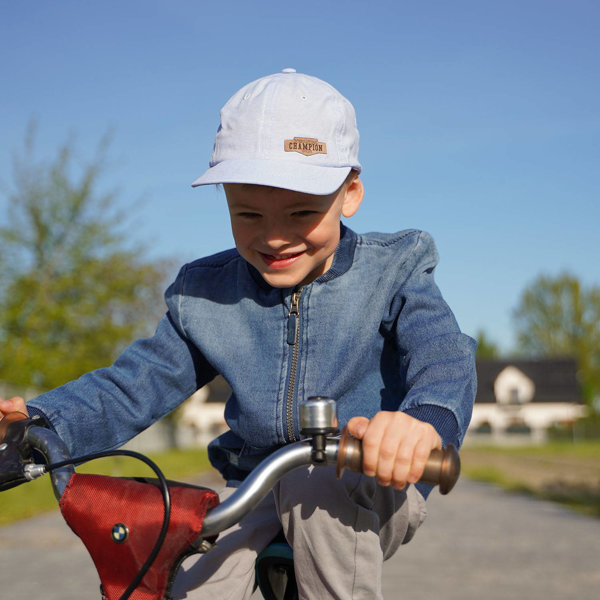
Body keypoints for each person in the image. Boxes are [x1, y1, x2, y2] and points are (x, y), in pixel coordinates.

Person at [0, 68, 477, 599]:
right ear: (225, 198)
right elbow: (133, 385)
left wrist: (423, 422)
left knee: (312, 487)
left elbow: (444, 357)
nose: (275, 237)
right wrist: (41, 423)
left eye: (301, 211)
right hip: (249, 488)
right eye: (248, 214)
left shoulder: (395, 270)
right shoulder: (205, 293)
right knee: (197, 577)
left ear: (351, 193)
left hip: (366, 483)